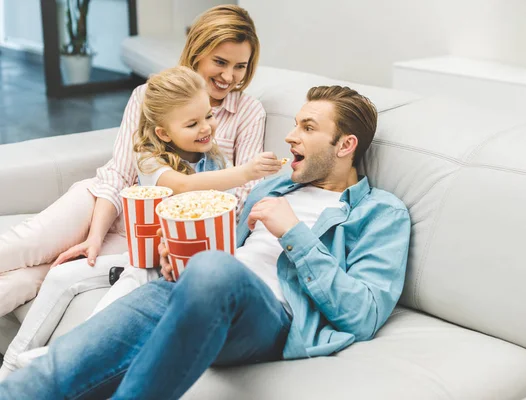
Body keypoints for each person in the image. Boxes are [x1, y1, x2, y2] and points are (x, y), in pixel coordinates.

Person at [0, 85, 411, 400]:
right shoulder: (274, 185)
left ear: (346, 145)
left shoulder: (381, 213)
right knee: (52, 371)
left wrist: (294, 235)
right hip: (195, 289)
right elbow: (224, 247)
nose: (290, 137)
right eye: (295, 124)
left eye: (307, 128)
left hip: (270, 317)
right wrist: (177, 255)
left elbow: (363, 314)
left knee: (214, 269)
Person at [0, 66, 281, 379]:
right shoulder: (149, 157)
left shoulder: (214, 157)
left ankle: (49, 360)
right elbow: (185, 186)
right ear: (163, 132)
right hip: (139, 256)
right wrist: (247, 172)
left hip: (156, 263)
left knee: (75, 282)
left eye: (209, 116)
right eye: (192, 123)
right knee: (55, 276)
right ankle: (13, 365)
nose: (206, 128)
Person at [0, 5, 265, 318]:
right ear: (197, 51)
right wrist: (93, 237)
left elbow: (242, 197)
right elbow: (119, 174)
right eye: (220, 62)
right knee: (19, 247)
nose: (229, 76)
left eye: (240, 67)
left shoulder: (249, 113)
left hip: (145, 235)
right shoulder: (146, 95)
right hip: (100, 204)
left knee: (29, 280)